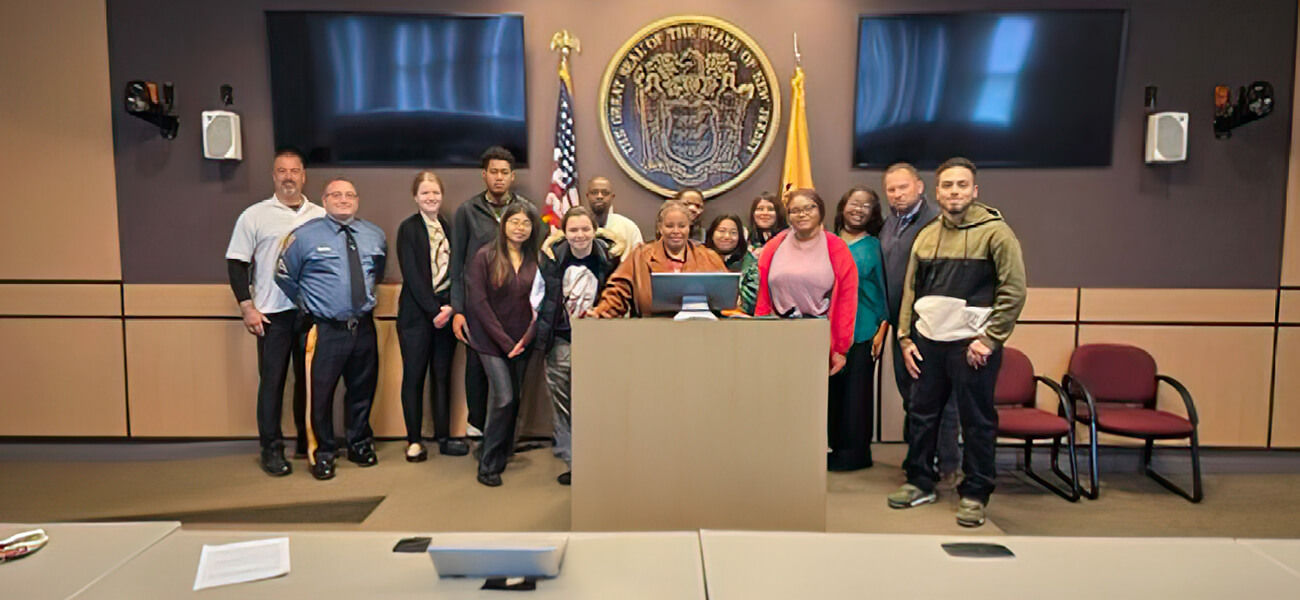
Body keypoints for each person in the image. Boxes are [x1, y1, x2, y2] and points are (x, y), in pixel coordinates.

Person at [888, 157, 1026, 528]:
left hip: (973, 348)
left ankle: (976, 494)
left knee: (977, 420)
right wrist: (904, 337)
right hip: (927, 344)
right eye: (947, 185)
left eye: (962, 185)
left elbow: (1013, 291)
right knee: (921, 415)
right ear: (937, 191)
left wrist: (991, 339)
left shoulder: (996, 233)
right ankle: (919, 481)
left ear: (974, 190)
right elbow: (911, 291)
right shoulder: (927, 235)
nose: (954, 192)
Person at [275, 177, 388, 481]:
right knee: (320, 396)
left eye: (350, 194)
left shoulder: (373, 234)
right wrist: (309, 305)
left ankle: (359, 444)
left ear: (357, 200)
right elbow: (284, 276)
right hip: (324, 330)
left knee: (362, 391)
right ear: (323, 201)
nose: (343, 199)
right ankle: (322, 453)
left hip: (363, 327)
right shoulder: (304, 236)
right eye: (335, 195)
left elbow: (377, 272)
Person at [225, 148, 326, 476]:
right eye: (282, 171)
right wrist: (247, 308)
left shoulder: (320, 216)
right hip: (271, 314)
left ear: (303, 175)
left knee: (307, 383)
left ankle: (303, 442)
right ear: (274, 176)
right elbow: (236, 263)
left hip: (309, 312)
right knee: (272, 383)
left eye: (294, 171)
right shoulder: (254, 215)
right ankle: (271, 449)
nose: (288, 177)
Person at [880, 162, 959, 481]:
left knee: (939, 399)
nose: (897, 194)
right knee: (911, 396)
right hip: (900, 326)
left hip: (930, 328)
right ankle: (919, 460)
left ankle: (949, 465)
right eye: (891, 189)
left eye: (903, 187)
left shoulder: (937, 224)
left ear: (920, 187)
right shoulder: (890, 223)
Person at [450, 147, 534, 436]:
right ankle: (476, 430)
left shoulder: (525, 211)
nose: (499, 178)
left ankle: (504, 436)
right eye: (493, 172)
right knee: (477, 370)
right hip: (478, 308)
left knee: (512, 375)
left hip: (515, 310)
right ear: (484, 175)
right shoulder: (467, 211)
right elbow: (457, 263)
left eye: (504, 173)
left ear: (512, 177)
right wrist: (458, 310)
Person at [534, 207, 618, 486]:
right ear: (564, 232)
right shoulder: (551, 258)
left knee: (598, 402)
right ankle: (574, 463)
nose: (580, 235)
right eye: (573, 230)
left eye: (585, 229)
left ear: (595, 231)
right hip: (561, 338)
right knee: (564, 403)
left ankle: (602, 461)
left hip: (600, 341)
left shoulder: (609, 259)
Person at [465, 203, 543, 487]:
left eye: (526, 223)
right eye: (515, 222)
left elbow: (541, 302)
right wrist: (506, 341)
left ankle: (503, 449)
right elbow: (478, 303)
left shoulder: (537, 259)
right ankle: (487, 464)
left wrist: (525, 339)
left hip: (523, 340)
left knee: (517, 399)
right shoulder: (484, 256)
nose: (520, 227)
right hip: (490, 341)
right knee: (504, 398)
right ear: (504, 225)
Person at [396, 171, 467, 463]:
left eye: (435, 192)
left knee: (442, 376)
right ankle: (414, 441)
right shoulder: (408, 229)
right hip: (417, 316)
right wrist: (432, 310)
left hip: (446, 313)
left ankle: (443, 436)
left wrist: (450, 306)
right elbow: (412, 274)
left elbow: (456, 271)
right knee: (414, 377)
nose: (431, 197)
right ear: (415, 197)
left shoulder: (447, 228)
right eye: (425, 193)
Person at [754, 189, 858, 376]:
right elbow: (763, 295)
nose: (802, 214)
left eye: (809, 208)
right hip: (777, 333)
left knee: (811, 400)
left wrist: (840, 348)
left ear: (821, 212)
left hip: (817, 336)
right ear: (788, 216)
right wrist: (759, 332)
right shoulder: (774, 246)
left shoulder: (836, 247)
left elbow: (846, 299)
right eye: (795, 210)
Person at [827, 185, 889, 471]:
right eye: (854, 203)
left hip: (864, 328)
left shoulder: (875, 246)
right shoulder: (825, 241)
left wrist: (883, 327)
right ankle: (830, 448)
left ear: (873, 213)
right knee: (831, 392)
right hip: (827, 329)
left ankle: (854, 454)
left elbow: (884, 290)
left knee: (856, 394)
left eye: (866, 205)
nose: (858, 209)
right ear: (843, 206)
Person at [588, 200, 726, 318]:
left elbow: (727, 298)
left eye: (682, 226)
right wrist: (602, 312)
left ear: (689, 228)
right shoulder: (640, 256)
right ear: (660, 228)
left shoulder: (709, 257)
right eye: (669, 226)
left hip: (699, 333)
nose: (676, 231)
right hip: (650, 334)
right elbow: (617, 292)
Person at [705, 214, 758, 314]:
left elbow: (752, 297)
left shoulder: (749, 262)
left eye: (733, 233)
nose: (727, 237)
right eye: (721, 231)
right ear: (712, 233)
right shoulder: (699, 256)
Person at [585, 176, 644, 258]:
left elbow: (639, 261)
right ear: (587, 196)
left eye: (605, 193)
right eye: (594, 192)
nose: (599, 196)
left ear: (612, 197)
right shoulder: (578, 229)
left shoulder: (629, 227)